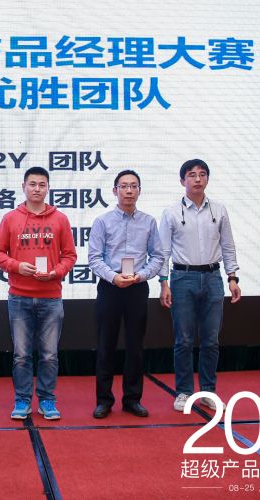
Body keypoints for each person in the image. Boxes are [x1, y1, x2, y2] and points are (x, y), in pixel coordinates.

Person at [0, 166, 77, 420]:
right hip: (19, 297)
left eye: (42, 184)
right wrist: (17, 266)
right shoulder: (10, 218)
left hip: (51, 297)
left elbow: (70, 255)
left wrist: (56, 272)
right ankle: (22, 399)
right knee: (21, 355)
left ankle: (47, 400)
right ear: (23, 187)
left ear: (48, 188)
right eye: (32, 184)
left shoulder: (60, 219)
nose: (37, 189)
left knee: (49, 355)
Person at [158, 159, 242, 412]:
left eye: (202, 174)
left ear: (207, 179)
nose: (197, 179)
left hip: (213, 277)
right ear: (182, 180)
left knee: (211, 340)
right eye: (192, 175)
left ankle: (208, 392)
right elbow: (163, 251)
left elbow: (228, 246)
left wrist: (232, 277)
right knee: (183, 340)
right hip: (182, 278)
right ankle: (184, 392)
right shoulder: (171, 212)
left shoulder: (219, 210)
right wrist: (163, 282)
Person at [88, 170, 163, 419]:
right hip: (110, 287)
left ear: (139, 190)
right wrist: (113, 277)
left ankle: (132, 399)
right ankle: (104, 401)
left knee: (135, 346)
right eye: (123, 186)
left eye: (133, 186)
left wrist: (141, 276)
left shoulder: (149, 222)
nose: (129, 191)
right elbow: (94, 258)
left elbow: (158, 257)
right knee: (105, 345)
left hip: (137, 287)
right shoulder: (102, 221)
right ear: (115, 191)